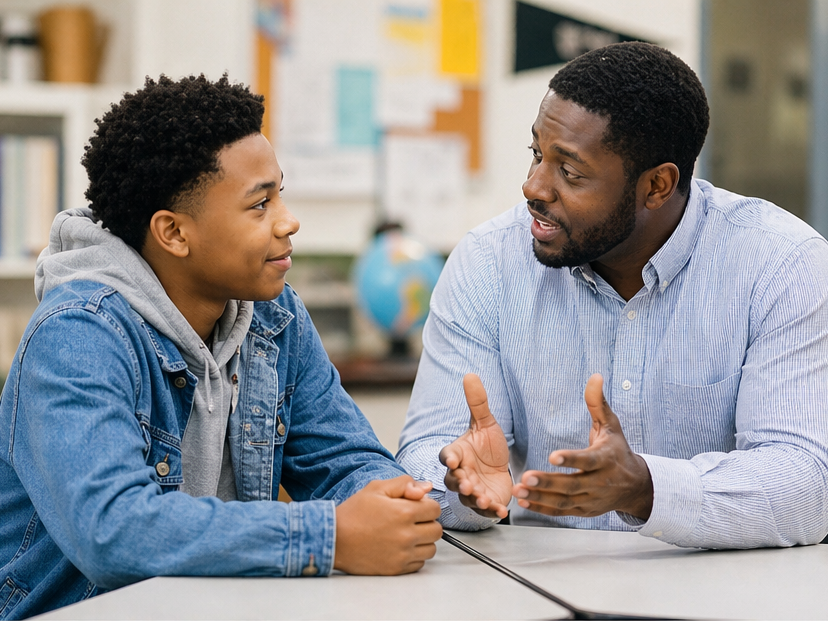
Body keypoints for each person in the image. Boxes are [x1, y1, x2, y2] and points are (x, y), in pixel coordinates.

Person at [0, 74, 442, 620]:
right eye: (260, 205)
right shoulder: (77, 337)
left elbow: (343, 462)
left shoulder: (275, 318)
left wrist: (413, 499)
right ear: (175, 233)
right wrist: (329, 537)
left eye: (281, 191)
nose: (289, 220)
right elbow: (113, 532)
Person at [397, 41, 828, 549]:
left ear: (657, 186)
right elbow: (423, 456)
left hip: (721, 595)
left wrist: (645, 489)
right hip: (547, 592)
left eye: (570, 172)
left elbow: (807, 482)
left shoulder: (782, 263)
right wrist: (459, 483)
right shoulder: (488, 262)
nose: (533, 186)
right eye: (537, 154)